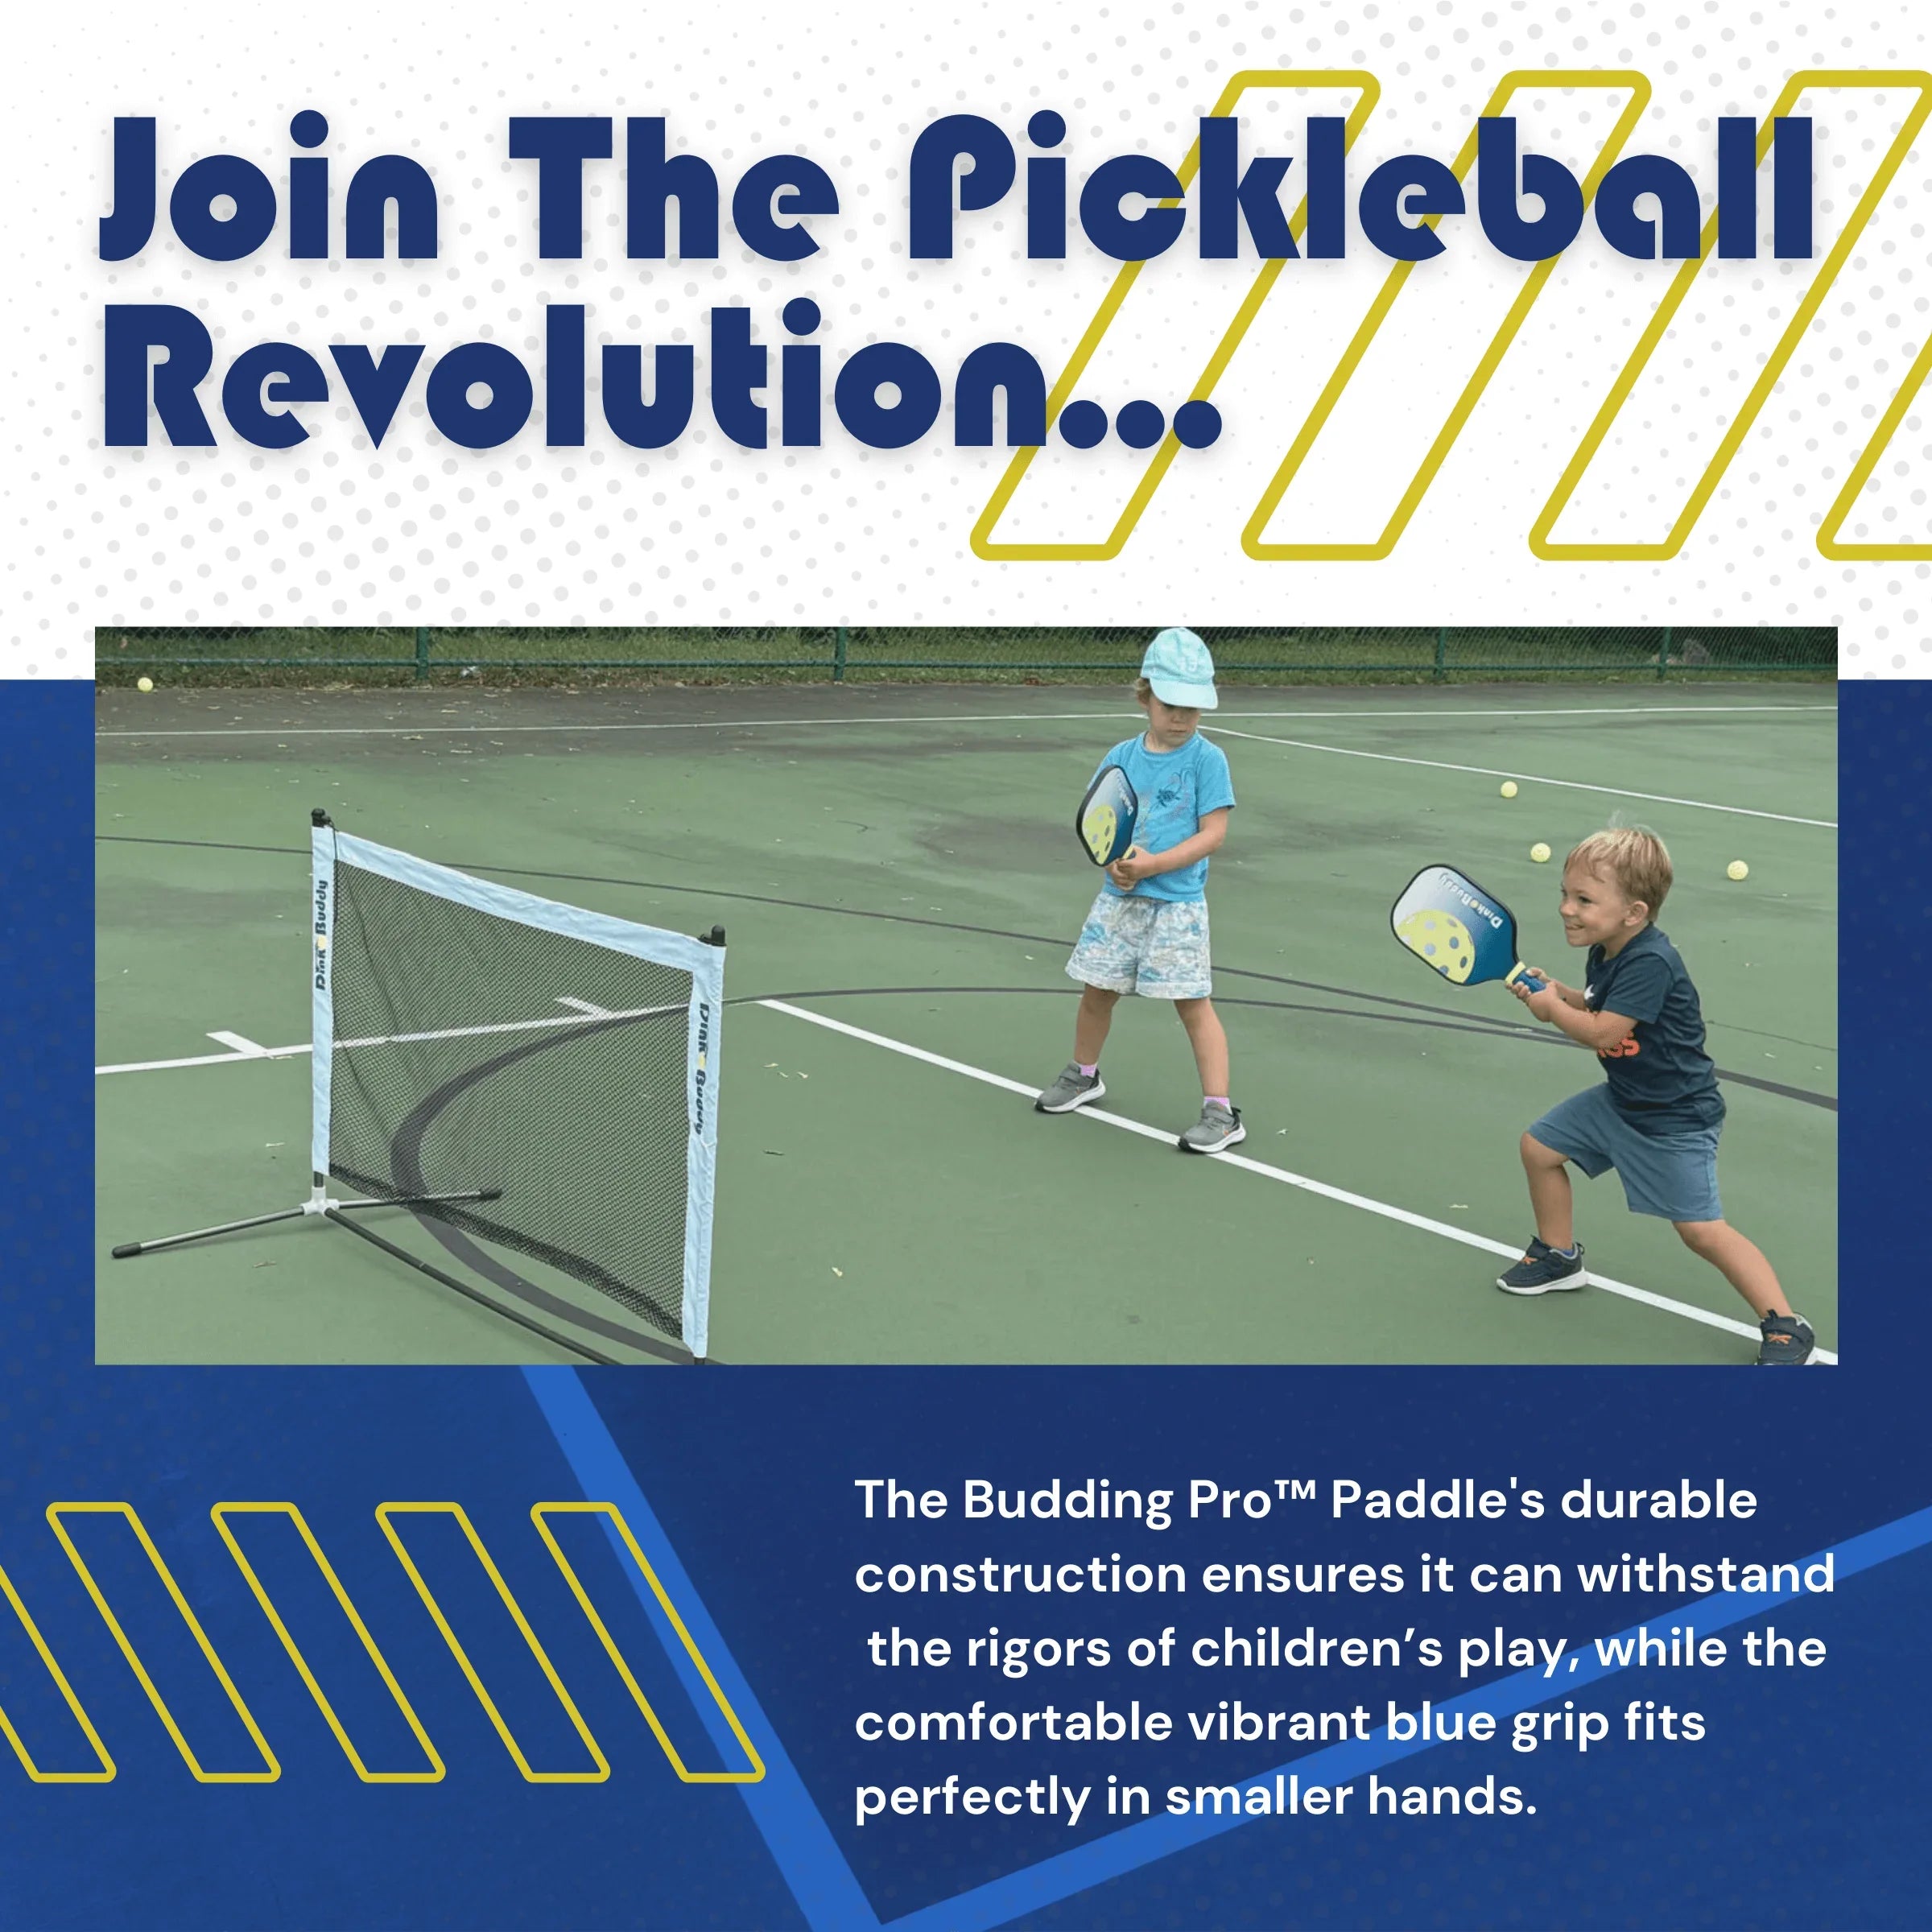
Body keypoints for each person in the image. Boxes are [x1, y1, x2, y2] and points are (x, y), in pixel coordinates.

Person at [1498, 826, 1814, 1365]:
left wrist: (1551, 1011)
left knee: (1701, 1232)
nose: (1565, 909)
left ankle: (1786, 1325)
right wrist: (1559, 992)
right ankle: (1558, 1255)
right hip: (1622, 1100)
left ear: (1635, 912)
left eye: (1584, 900)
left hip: (1674, 1120)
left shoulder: (1650, 961)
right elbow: (1598, 1003)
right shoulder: (1608, 950)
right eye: (1565, 894)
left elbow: (1603, 1033)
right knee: (1539, 1148)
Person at [1034, 628, 1242, 1153]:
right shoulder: (1121, 755)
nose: (1181, 717)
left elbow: (1214, 834)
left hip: (1177, 906)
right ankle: (1084, 1073)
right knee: (1096, 991)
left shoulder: (1207, 761)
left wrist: (1153, 867)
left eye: (1193, 708)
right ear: (1145, 695)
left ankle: (1220, 1112)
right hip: (1120, 901)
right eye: (1171, 704)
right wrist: (1115, 865)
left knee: (1193, 1004)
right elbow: (1101, 824)